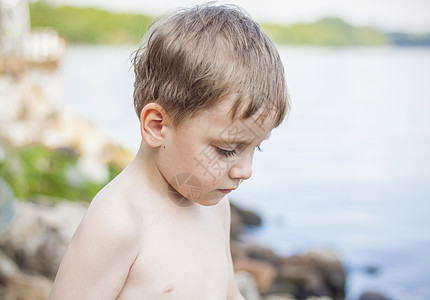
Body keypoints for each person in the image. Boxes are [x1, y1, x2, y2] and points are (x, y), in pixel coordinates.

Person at [49, 3, 289, 299]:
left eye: (256, 148)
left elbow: (228, 292)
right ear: (157, 126)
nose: (245, 170)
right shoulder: (118, 223)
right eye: (227, 149)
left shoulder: (215, 208)